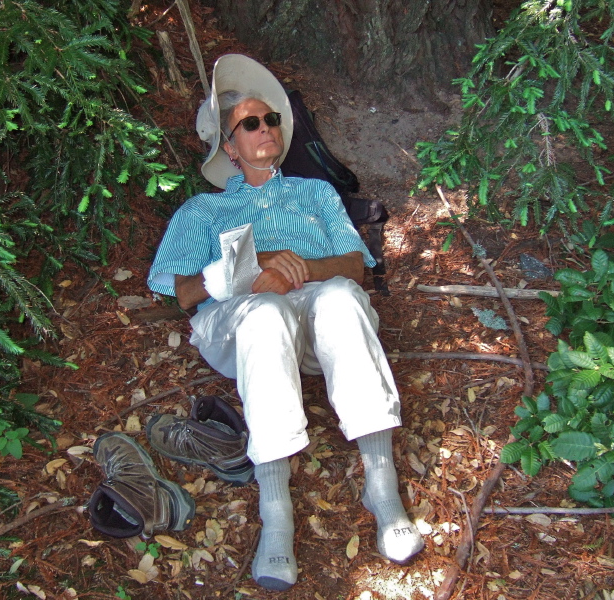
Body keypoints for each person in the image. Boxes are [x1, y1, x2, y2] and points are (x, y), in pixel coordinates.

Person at [147, 54, 424, 592]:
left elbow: (353, 267)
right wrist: (244, 271)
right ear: (229, 147)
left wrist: (302, 268)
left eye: (270, 118)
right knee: (267, 312)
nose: (265, 128)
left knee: (341, 298)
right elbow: (181, 294)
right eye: (250, 123)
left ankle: (382, 488)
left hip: (317, 314)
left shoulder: (315, 193)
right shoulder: (202, 211)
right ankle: (276, 512)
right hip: (241, 321)